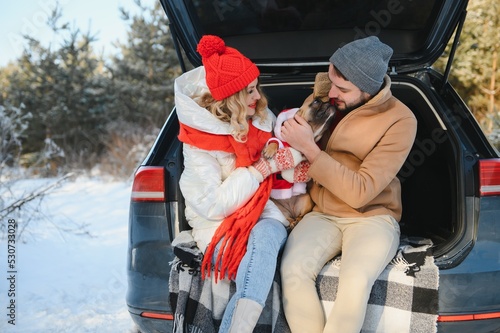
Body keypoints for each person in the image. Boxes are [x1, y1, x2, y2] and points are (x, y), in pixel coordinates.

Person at [279, 36, 418, 333]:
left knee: (354, 281)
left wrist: (310, 149)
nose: (332, 94)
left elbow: (361, 191)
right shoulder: (326, 96)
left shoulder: (401, 120)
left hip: (372, 217)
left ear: (367, 88)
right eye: (331, 82)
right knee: (292, 271)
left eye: (343, 89)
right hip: (322, 212)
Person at [175, 34, 303, 333]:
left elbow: (279, 152)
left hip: (267, 212)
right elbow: (213, 204)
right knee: (255, 256)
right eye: (249, 92)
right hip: (219, 226)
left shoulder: (259, 117)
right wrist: (260, 169)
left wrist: (294, 165)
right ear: (229, 99)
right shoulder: (198, 144)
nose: (258, 97)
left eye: (256, 87)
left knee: (265, 239)